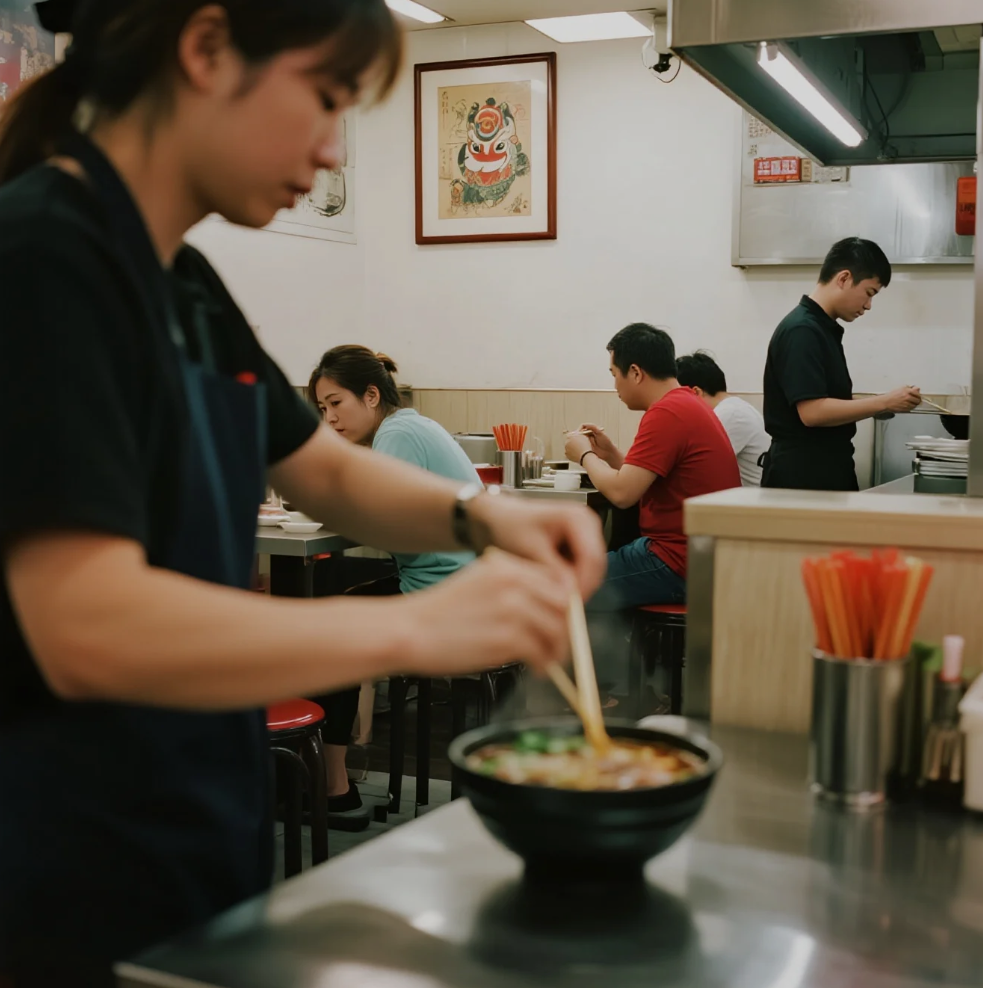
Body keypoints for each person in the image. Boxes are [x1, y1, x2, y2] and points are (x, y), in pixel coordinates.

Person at [0, 3, 607, 984]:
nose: (331, 152)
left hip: (196, 812)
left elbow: (318, 467)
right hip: (66, 858)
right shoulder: (42, 258)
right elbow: (85, 624)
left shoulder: (182, 278)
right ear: (204, 48)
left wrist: (484, 514)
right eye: (326, 98)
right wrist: (414, 628)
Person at [307, 345, 482, 822]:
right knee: (336, 591)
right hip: (462, 583)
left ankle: (331, 785)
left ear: (370, 395)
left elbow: (383, 520)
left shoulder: (397, 433)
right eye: (322, 408)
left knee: (332, 626)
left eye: (336, 403)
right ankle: (324, 774)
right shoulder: (411, 426)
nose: (329, 418)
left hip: (445, 593)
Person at [564, 324, 741, 610]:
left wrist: (584, 455)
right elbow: (645, 477)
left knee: (562, 582)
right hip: (701, 557)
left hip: (675, 561)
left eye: (614, 374)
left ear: (635, 372)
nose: (615, 386)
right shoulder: (686, 403)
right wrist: (609, 454)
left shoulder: (667, 412)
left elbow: (622, 493)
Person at [762, 237, 922, 491]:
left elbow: (829, 399)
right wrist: (884, 402)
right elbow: (813, 412)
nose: (868, 306)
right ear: (844, 278)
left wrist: (879, 406)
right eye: (869, 293)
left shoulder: (821, 328)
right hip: (803, 478)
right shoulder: (802, 330)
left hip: (825, 469)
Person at [676, 350, 770, 487]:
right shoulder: (734, 408)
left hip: (754, 498)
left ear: (696, 392)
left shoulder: (728, 415)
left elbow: (695, 468)